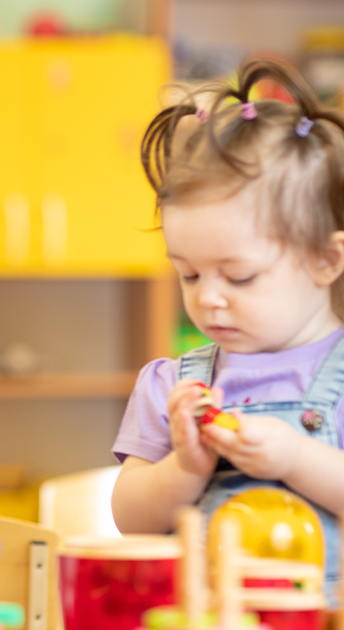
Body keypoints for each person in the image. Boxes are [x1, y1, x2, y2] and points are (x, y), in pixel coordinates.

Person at [111, 59, 344, 604]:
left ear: (326, 261)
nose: (207, 297)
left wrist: (296, 459)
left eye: (239, 275)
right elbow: (131, 521)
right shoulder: (171, 384)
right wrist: (185, 466)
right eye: (188, 273)